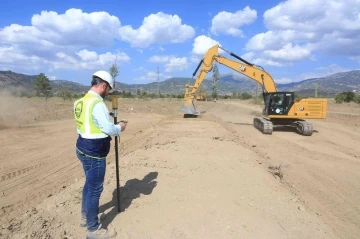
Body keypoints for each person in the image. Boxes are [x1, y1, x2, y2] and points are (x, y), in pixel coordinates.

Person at [73, 70, 127, 239]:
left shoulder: (80, 102)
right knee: (95, 189)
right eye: (108, 89)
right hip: (94, 152)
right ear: (103, 85)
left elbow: (89, 124)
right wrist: (120, 127)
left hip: (82, 146)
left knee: (89, 185)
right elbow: (109, 128)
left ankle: (85, 216)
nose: (108, 93)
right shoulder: (97, 104)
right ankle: (93, 229)